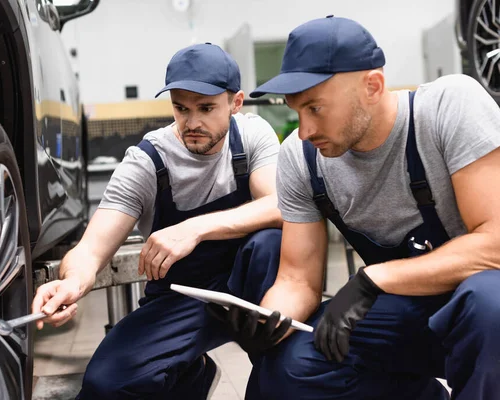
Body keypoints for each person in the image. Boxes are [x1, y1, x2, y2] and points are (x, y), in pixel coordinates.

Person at [211, 15, 500, 400]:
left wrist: (374, 279)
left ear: (373, 86)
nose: (305, 130)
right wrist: (268, 320)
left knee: (489, 306)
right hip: (409, 312)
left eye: (315, 108)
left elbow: (494, 244)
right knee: (290, 364)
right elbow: (298, 279)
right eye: (297, 110)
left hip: (480, 304)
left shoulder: (448, 108)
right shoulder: (301, 159)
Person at [31, 42, 285, 399]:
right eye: (181, 108)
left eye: (206, 108)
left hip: (252, 290)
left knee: (269, 245)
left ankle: (273, 366)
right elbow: (91, 247)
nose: (192, 122)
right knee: (106, 384)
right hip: (183, 296)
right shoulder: (147, 160)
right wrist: (71, 282)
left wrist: (194, 228)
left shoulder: (252, 135)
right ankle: (190, 372)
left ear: (236, 103)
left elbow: (280, 207)